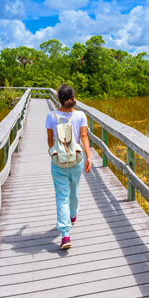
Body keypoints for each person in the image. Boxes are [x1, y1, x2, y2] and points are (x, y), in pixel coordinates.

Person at [45, 84, 92, 249]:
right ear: (73, 97)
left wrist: (52, 152)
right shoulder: (80, 115)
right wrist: (88, 157)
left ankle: (65, 235)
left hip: (58, 162)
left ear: (58, 99)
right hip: (76, 160)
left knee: (61, 197)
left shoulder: (51, 116)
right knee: (74, 190)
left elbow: (50, 139)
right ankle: (72, 215)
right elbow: (84, 136)